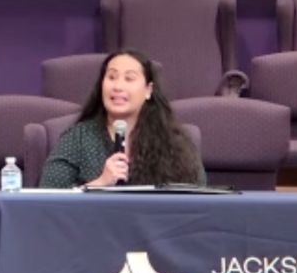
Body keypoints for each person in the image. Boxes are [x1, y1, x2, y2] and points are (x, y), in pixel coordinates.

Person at [39, 49, 206, 188]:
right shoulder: (79, 138)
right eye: (111, 77)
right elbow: (48, 198)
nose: (118, 87)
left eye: (129, 78)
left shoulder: (174, 142)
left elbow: (197, 198)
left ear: (148, 90)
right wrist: (99, 184)